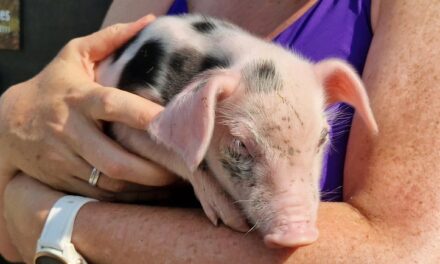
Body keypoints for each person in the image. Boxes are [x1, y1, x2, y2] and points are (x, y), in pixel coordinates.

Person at [1, 0, 440, 263]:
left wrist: (58, 218)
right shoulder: (145, 12)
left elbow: (402, 252)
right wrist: (11, 125)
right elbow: (7, 238)